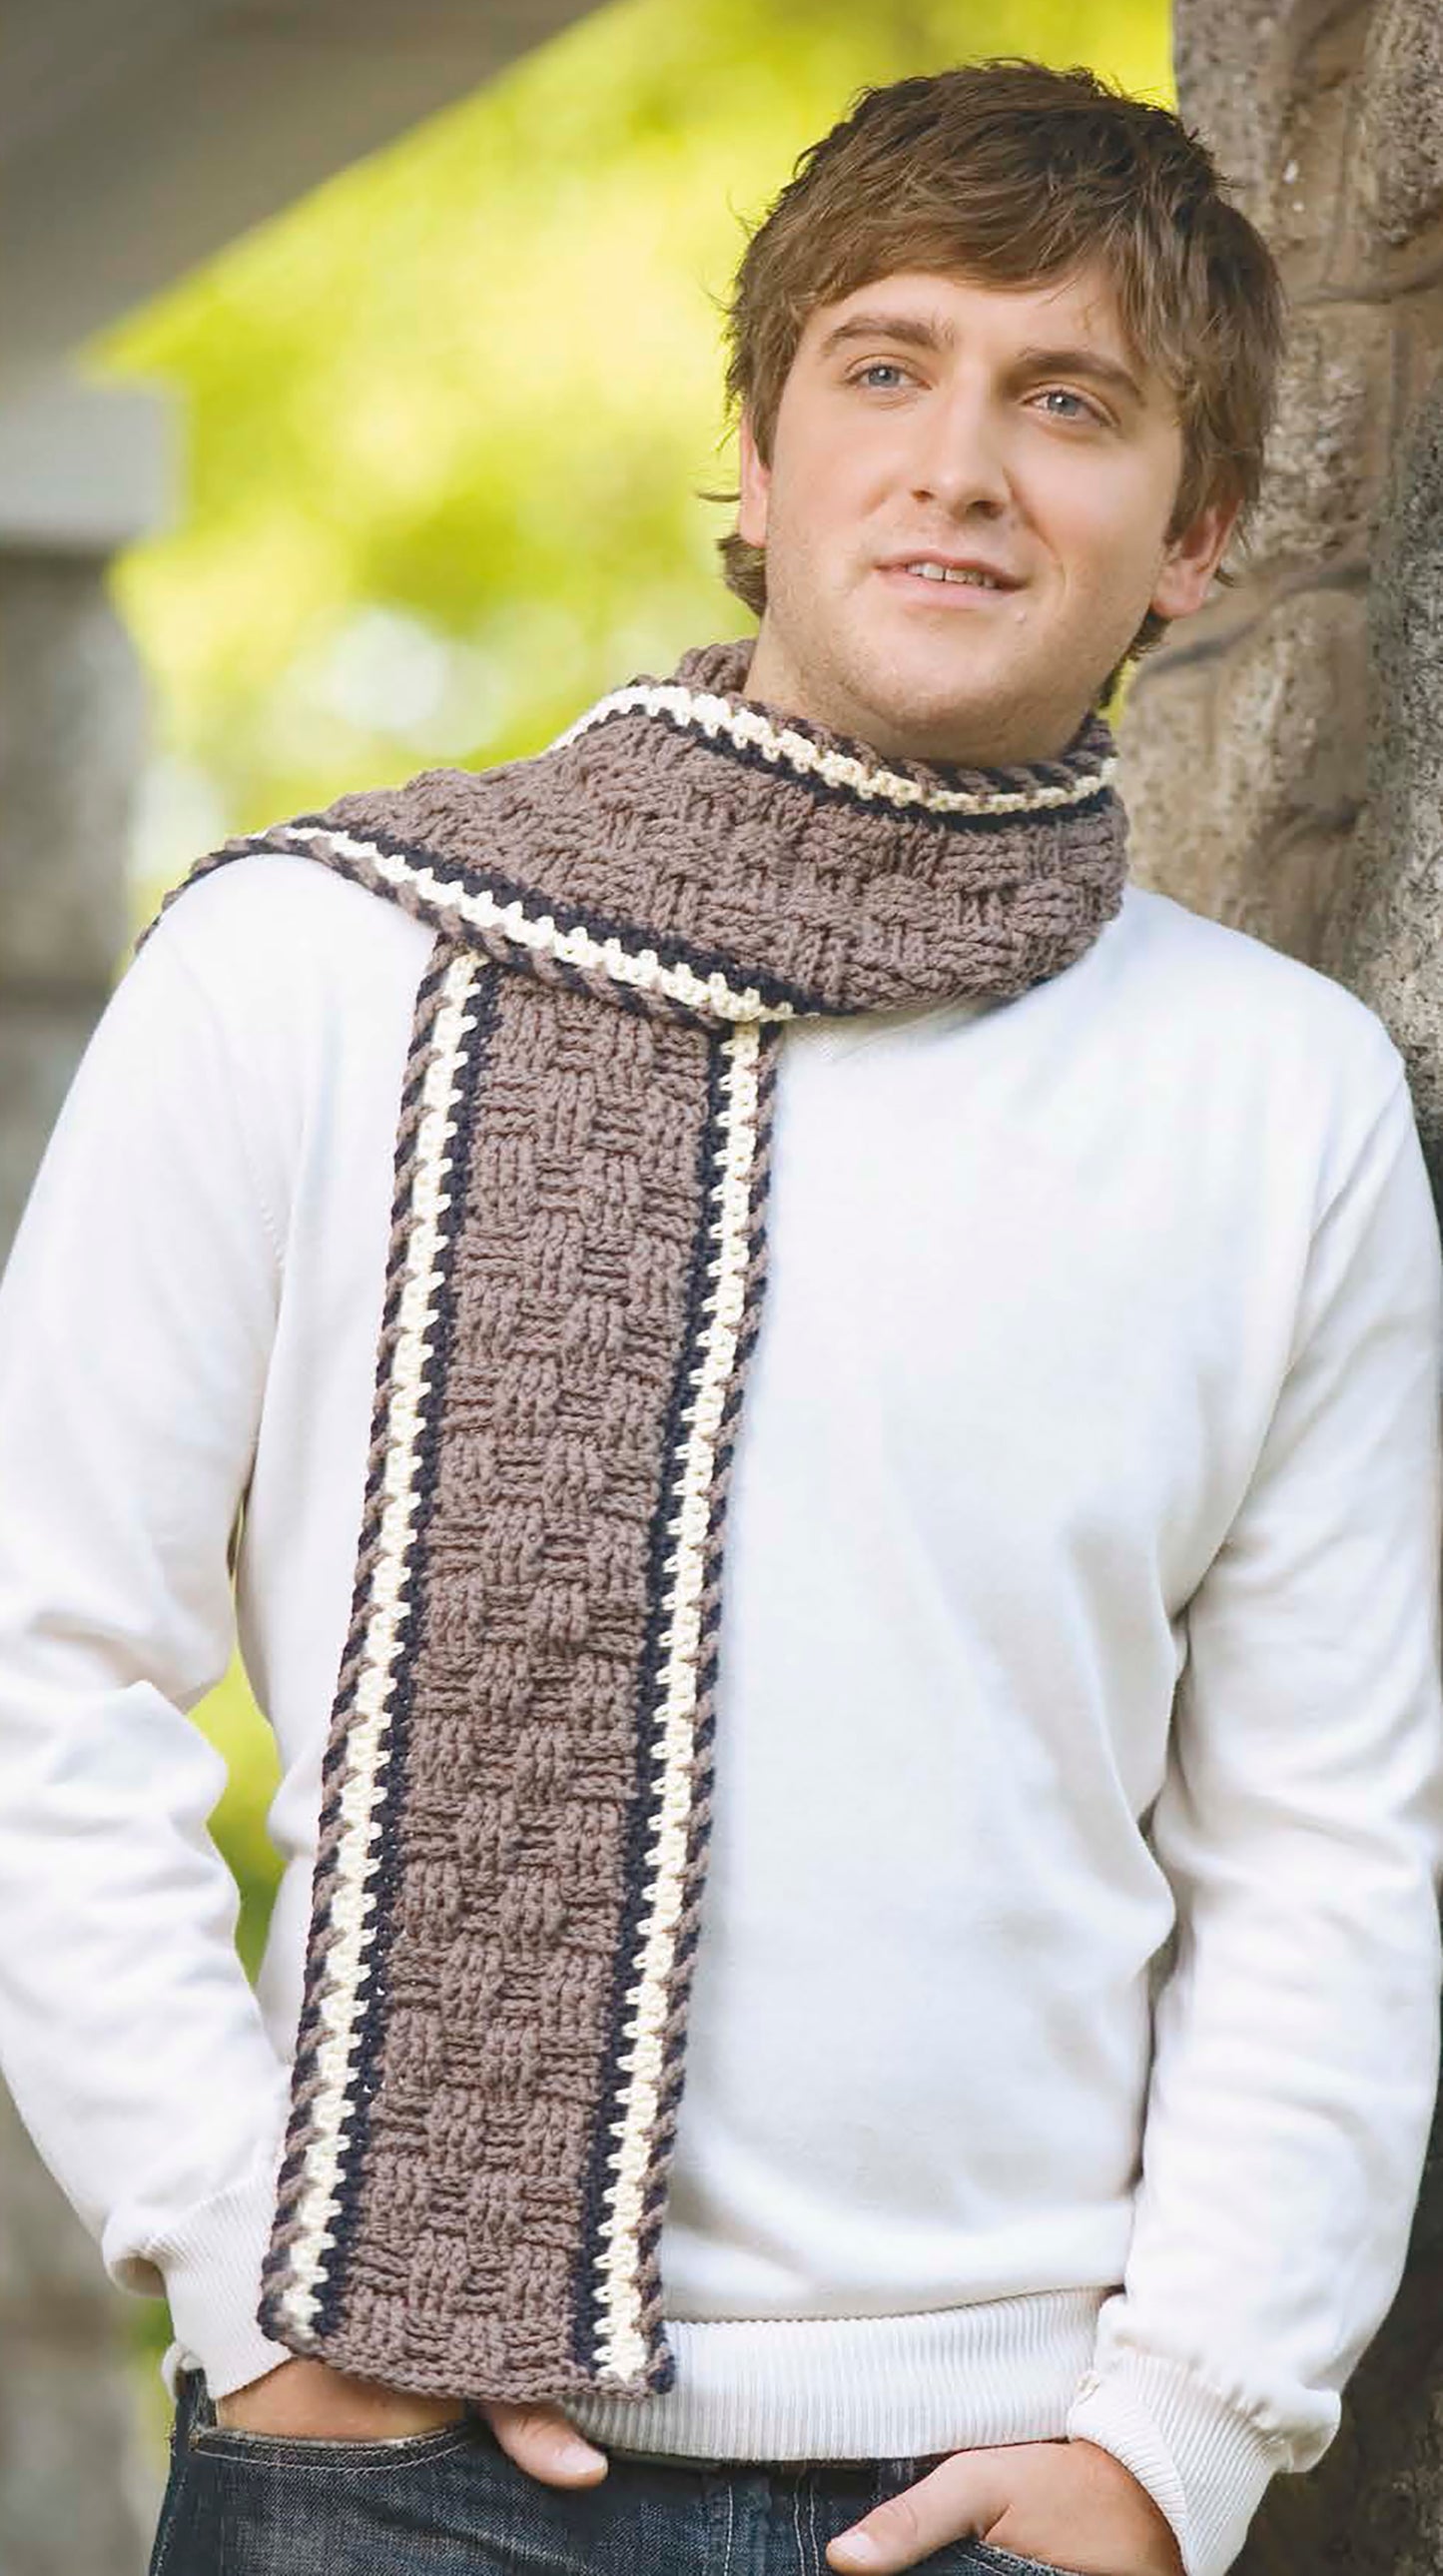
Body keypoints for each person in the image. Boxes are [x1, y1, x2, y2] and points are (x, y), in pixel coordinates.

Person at [0, 54, 1439, 2576]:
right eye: (883, 368)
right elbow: (39, 1657)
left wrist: (1172, 2449)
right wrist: (247, 2264)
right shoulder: (314, 966)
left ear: (1197, 535)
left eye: (1067, 401)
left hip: (998, 2489)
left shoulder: (1278, 1101)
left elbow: (1322, 1842)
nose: (960, 466)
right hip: (379, 2465)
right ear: (759, 467)